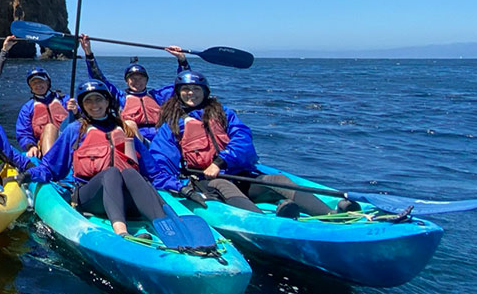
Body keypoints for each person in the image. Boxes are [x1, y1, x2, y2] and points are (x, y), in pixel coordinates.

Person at [142, 70, 337, 218]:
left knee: (278, 179)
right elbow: (160, 163)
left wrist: (220, 162)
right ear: (178, 93)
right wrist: (180, 187)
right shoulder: (172, 125)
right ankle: (263, 222)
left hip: (237, 174)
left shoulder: (223, 114)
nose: (191, 93)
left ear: (205, 92)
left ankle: (331, 215)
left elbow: (243, 139)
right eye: (185, 90)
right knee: (222, 184)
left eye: (196, 89)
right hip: (203, 181)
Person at [26, 81, 166, 236]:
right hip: (92, 198)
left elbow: (152, 171)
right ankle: (122, 232)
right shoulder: (75, 130)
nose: (94, 105)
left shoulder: (123, 129)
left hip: (126, 199)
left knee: (130, 173)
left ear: (107, 102)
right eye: (88, 101)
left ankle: (167, 229)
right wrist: (29, 174)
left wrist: (180, 187)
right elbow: (51, 167)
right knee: (111, 173)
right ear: (83, 105)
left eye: (98, 99)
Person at [80, 35, 189, 146]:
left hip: (161, 139)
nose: (137, 82)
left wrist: (182, 60)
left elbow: (183, 83)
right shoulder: (120, 97)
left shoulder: (157, 96)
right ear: (127, 81)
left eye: (141, 78)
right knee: (130, 124)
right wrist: (89, 54)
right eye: (133, 78)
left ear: (146, 80)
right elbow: (98, 79)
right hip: (136, 142)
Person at [14, 66, 73, 157]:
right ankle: (50, 161)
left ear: (47, 82)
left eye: (41, 81)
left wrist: (75, 111)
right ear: (30, 87)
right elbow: (23, 133)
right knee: (49, 127)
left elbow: (83, 118)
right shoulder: (27, 108)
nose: (38, 85)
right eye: (34, 83)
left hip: (68, 140)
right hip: (44, 145)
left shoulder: (65, 100)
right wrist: (31, 146)